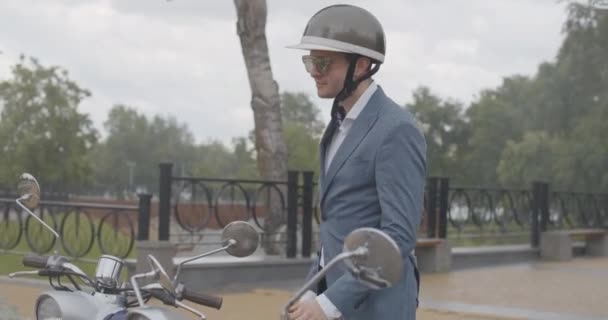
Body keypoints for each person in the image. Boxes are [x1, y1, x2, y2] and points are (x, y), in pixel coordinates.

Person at [286, 4, 427, 320]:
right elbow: (337, 222)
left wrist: (330, 302)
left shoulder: (397, 129)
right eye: (310, 60)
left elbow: (398, 236)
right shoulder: (338, 124)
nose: (313, 70)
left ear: (361, 65)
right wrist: (313, 287)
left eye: (323, 62)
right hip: (334, 298)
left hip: (378, 307)